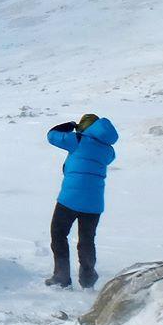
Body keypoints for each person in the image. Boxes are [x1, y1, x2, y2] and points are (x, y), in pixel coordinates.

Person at [44, 113, 119, 289]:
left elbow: (51, 135)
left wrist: (69, 125)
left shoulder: (77, 140)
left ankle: (61, 277)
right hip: (94, 203)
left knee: (59, 234)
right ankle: (87, 280)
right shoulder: (109, 151)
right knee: (87, 240)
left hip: (69, 199)